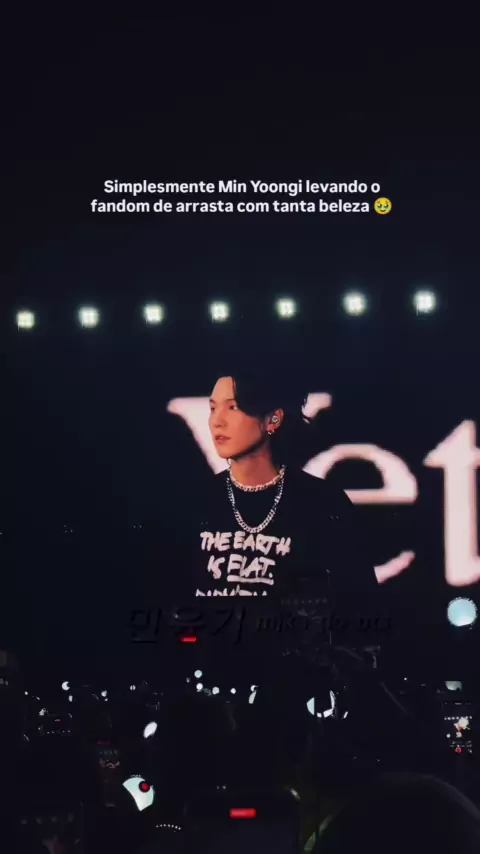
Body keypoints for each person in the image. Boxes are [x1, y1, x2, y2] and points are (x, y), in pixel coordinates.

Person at [181, 366, 379, 609]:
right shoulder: (194, 502)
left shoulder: (322, 502)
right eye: (213, 408)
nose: (217, 421)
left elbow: (359, 607)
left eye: (233, 407)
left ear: (273, 419)